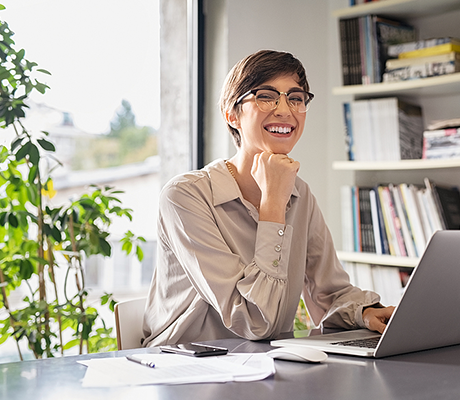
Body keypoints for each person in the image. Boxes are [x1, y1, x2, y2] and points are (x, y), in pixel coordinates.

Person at [142, 49, 394, 346]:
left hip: (262, 364)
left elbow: (329, 293)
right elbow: (254, 321)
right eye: (266, 96)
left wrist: (365, 312)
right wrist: (273, 203)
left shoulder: (301, 194)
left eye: (296, 98)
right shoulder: (184, 196)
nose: (285, 110)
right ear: (231, 113)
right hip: (184, 370)